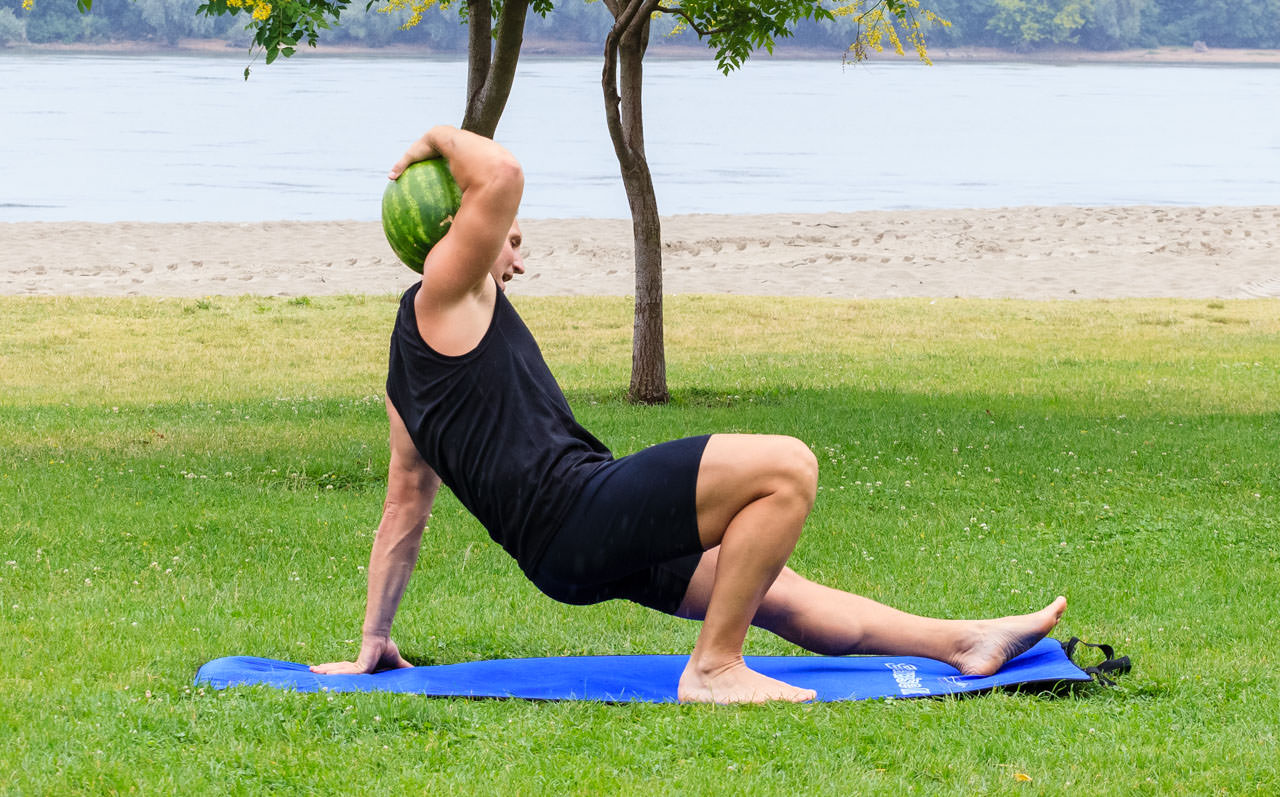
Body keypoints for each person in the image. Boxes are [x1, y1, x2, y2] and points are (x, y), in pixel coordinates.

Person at [312, 126, 1067, 704]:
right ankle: (713, 668)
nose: (517, 255)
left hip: (569, 543)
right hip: (578, 513)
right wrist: (436, 139)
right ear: (453, 236)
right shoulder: (452, 293)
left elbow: (403, 507)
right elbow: (500, 173)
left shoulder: (405, 370)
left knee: (781, 595)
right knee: (786, 468)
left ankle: (966, 642)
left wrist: (374, 639)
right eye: (510, 239)